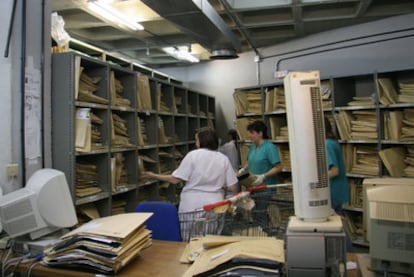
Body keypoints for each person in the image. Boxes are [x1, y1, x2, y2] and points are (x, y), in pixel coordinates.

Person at [141, 127, 238, 213]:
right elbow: (233, 187)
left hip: (192, 205)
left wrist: (154, 176)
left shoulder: (193, 156)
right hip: (215, 205)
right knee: (212, 233)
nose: (195, 143)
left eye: (196, 140)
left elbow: (175, 179)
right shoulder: (223, 159)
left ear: (202, 140)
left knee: (191, 233)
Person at [238, 120, 282, 186]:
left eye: (252, 133)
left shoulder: (270, 147)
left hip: (266, 187)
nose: (249, 135)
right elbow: (250, 161)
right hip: (253, 186)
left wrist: (263, 176)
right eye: (249, 133)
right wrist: (244, 169)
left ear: (260, 133)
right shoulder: (252, 147)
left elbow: (278, 167)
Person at [324, 117, 350, 214]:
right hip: (335, 191)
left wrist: (315, 180)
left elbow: (334, 171)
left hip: (332, 192)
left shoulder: (327, 144)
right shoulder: (331, 142)